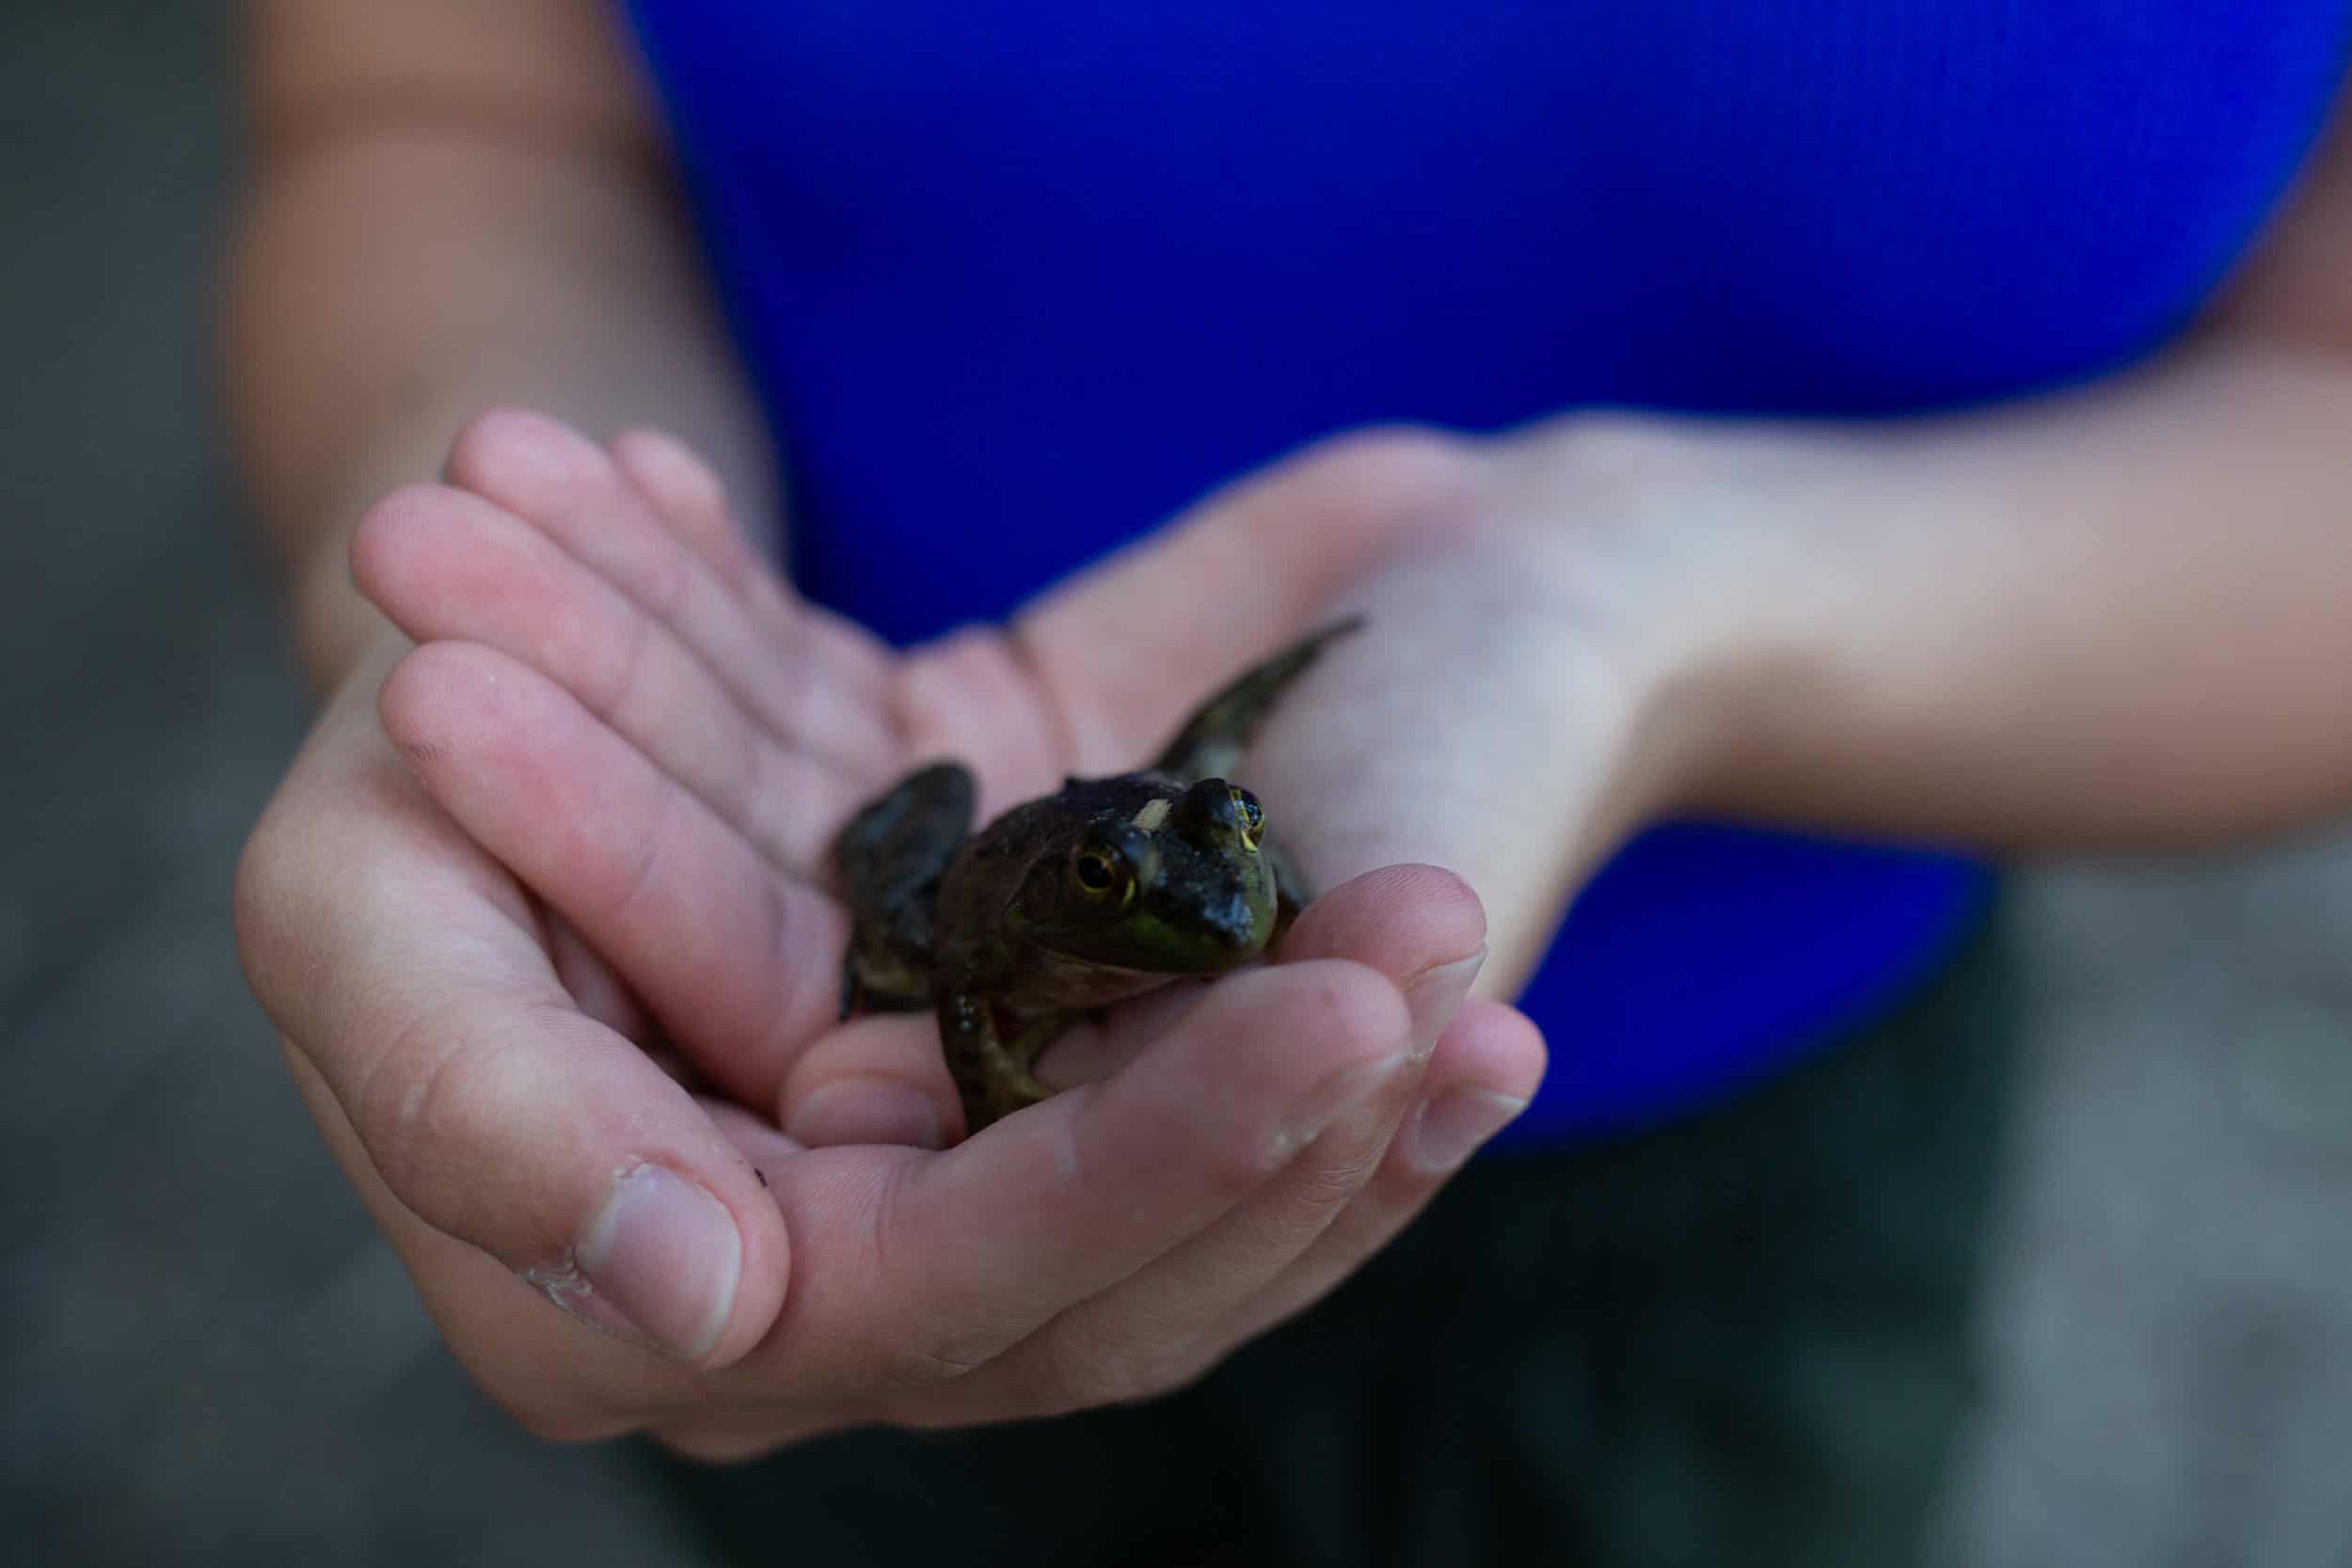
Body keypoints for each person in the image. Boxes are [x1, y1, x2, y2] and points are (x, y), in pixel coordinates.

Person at [227, 2, 2352, 1562]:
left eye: (1224, 864)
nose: (1218, 895)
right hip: (804, 1079)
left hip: (1763, 1146)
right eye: (1176, 883)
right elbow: (439, 100)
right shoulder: (1029, 927)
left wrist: (1609, 600)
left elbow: (1209, 768)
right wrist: (521, 628)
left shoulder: (1204, 852)